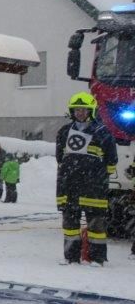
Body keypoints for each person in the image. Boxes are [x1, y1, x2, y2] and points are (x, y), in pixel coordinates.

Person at [56, 92, 117, 265]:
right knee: (70, 225)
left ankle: (98, 259)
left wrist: (99, 178)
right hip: (70, 185)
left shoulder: (102, 132)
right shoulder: (64, 131)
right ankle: (71, 257)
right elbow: (60, 157)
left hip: (93, 186)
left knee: (96, 225)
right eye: (77, 110)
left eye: (83, 110)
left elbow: (111, 160)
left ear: (91, 111)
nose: (80, 113)